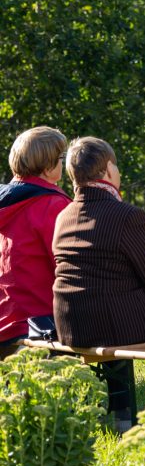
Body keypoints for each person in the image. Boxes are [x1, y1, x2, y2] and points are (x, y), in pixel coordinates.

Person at [52, 137, 145, 429]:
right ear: (108, 169)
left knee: (118, 299)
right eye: (116, 166)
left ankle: (121, 417)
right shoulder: (128, 216)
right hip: (111, 323)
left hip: (71, 324)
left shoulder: (64, 216)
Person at [0, 127, 71, 357]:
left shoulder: (6, 203)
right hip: (42, 327)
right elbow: (70, 267)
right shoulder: (53, 205)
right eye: (61, 158)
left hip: (5, 324)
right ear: (48, 166)